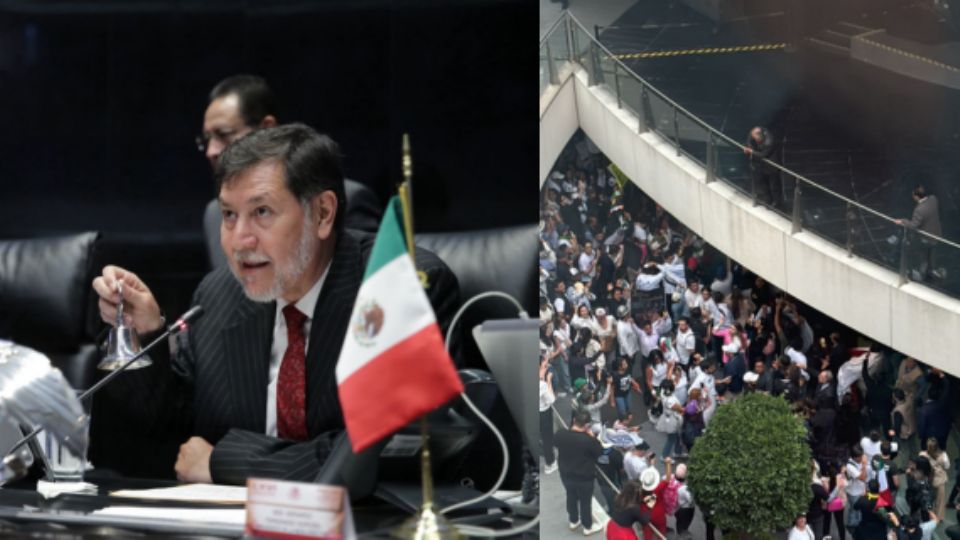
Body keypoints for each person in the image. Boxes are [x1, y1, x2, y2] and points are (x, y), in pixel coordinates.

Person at [91, 124, 458, 484]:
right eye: (229, 215)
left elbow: (389, 451)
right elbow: (165, 438)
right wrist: (144, 335)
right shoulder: (218, 296)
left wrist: (227, 461)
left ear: (323, 214)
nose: (239, 240)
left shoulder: (399, 290)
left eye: (262, 212)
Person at [198, 75, 382, 269]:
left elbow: (371, 284)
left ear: (266, 128)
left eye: (224, 134)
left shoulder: (349, 198)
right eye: (230, 214)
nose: (211, 151)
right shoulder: (213, 214)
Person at [555, 410, 605, 535]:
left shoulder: (561, 434)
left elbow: (556, 444)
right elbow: (599, 452)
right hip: (584, 478)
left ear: (574, 421)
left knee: (570, 496)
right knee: (585, 502)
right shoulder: (588, 441)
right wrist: (591, 436)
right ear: (587, 425)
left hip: (565, 474)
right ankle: (587, 527)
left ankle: (573, 520)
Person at [894, 185, 942, 280]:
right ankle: (931, 270)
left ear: (916, 197)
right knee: (931, 253)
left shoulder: (919, 210)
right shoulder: (933, 199)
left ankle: (920, 275)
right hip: (936, 234)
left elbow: (913, 225)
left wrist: (903, 221)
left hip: (926, 238)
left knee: (922, 256)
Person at [743, 126, 780, 208]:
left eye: (756, 139)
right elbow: (749, 140)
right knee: (763, 184)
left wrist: (751, 151)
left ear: (761, 136)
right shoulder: (754, 134)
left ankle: (777, 203)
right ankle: (768, 201)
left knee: (774, 186)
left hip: (772, 164)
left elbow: (763, 155)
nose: (755, 141)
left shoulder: (769, 141)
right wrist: (747, 147)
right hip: (762, 165)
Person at [919, 437, 950, 520]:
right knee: (939, 501)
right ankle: (938, 518)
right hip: (939, 481)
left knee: (928, 499)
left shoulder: (922, 454)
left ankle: (928, 514)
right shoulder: (944, 456)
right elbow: (947, 467)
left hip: (928, 480)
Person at [540, 356, 558, 475]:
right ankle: (549, 463)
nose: (547, 368)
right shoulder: (541, 384)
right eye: (545, 366)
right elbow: (551, 399)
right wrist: (548, 381)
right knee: (547, 439)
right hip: (543, 413)